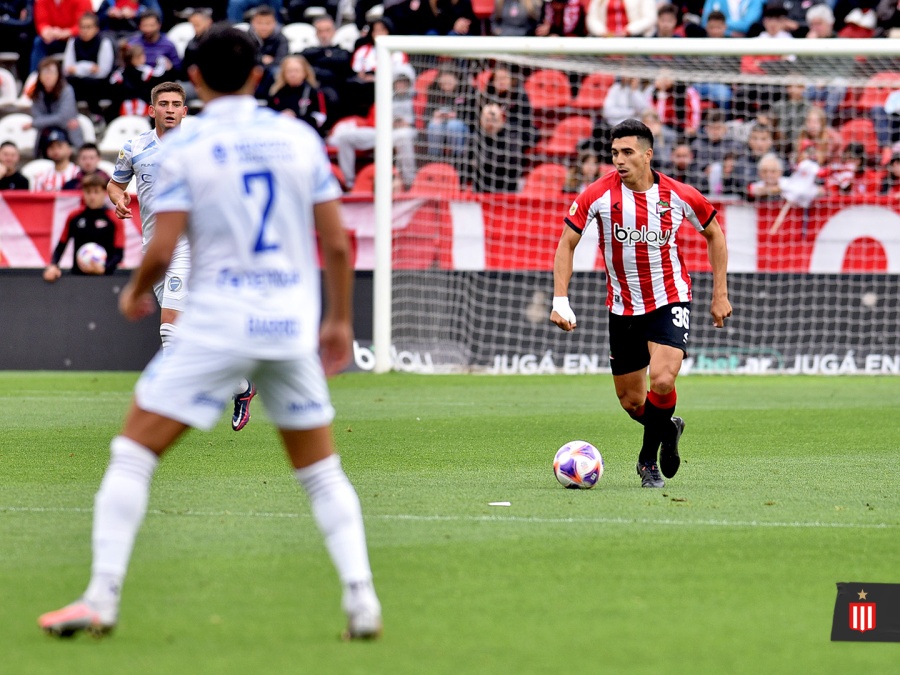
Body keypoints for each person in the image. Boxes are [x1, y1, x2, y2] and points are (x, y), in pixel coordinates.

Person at [38, 24, 382, 641]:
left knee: (132, 454)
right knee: (322, 471)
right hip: (287, 324)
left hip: (219, 320)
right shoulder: (297, 137)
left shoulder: (184, 147)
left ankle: (101, 596)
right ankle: (362, 599)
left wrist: (138, 291)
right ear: (260, 74)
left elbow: (163, 243)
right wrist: (338, 320)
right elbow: (335, 240)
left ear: (193, 81)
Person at [550, 118, 731, 488]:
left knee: (663, 380)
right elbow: (566, 243)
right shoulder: (598, 194)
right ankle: (668, 427)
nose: (619, 159)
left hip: (669, 297)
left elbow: (714, 232)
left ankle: (648, 462)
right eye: (615, 152)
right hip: (622, 308)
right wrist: (560, 299)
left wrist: (720, 294)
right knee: (633, 402)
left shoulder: (678, 194)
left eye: (628, 152)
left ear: (648, 155)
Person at [106, 81, 257, 432]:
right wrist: (118, 198)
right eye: (164, 104)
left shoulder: (200, 144)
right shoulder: (134, 147)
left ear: (185, 111)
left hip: (190, 245)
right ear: (151, 109)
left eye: (177, 104)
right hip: (153, 248)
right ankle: (240, 386)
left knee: (170, 333)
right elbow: (116, 183)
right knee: (190, 335)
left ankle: (175, 407)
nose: (171, 109)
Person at [42, 173, 124, 281]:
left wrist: (104, 269)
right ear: (83, 193)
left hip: (105, 278)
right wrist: (53, 265)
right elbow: (61, 246)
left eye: (96, 192)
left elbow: (119, 253)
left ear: (104, 193)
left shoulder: (114, 219)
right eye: (88, 192)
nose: (92, 197)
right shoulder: (74, 216)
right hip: (77, 277)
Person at [26, 57, 83, 156]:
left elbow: (63, 117)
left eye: (52, 72)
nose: (48, 76)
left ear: (58, 75)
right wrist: (41, 122)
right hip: (45, 134)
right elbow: (37, 116)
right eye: (45, 72)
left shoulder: (67, 90)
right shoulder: (36, 92)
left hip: (68, 134)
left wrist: (35, 123)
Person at [62, 11, 114, 119]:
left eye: (89, 27)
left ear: (96, 28)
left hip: (98, 85)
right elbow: (66, 69)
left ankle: (96, 116)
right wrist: (89, 67)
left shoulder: (104, 42)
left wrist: (77, 68)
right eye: (82, 27)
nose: (85, 31)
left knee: (90, 83)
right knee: (68, 82)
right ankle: (70, 117)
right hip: (78, 83)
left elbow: (103, 71)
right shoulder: (73, 42)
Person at [267, 55, 328, 135]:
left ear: (305, 72)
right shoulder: (275, 92)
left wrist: (295, 119)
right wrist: (280, 116)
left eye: (296, 71)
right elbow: (267, 115)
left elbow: (320, 118)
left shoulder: (314, 92)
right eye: (289, 71)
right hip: (280, 133)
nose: (293, 75)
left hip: (307, 134)